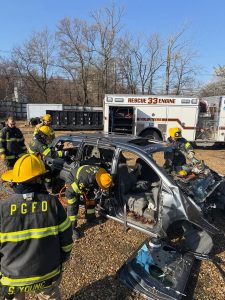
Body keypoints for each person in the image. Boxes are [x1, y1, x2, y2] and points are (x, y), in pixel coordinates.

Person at [0, 154, 73, 300]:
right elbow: (66, 237)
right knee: (49, 295)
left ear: (16, 181)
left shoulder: (3, 208)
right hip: (47, 273)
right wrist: (63, 257)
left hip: (13, 277)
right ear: (38, 178)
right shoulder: (53, 204)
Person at [65, 165, 112, 240]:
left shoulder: (102, 174)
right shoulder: (86, 179)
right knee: (73, 204)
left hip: (85, 181)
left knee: (91, 199)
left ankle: (90, 218)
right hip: (73, 180)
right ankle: (70, 229)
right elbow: (69, 192)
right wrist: (78, 195)